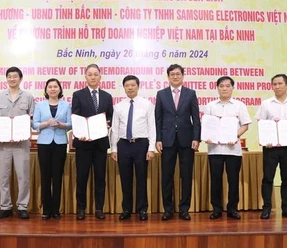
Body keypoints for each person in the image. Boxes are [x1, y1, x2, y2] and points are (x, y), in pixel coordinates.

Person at [255, 74, 287, 220]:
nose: (276, 87)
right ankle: (266, 208)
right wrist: (265, 140)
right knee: (268, 178)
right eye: (274, 84)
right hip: (271, 148)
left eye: (279, 84)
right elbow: (262, 124)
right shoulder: (266, 104)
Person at [155, 64, 200, 221]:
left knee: (186, 176)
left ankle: (184, 209)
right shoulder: (161, 94)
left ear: (183, 76)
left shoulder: (190, 93)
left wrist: (196, 138)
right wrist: (158, 139)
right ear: (168, 77)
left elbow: (196, 118)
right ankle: (168, 209)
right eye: (172, 74)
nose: (175, 76)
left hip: (186, 140)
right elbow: (158, 118)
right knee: (166, 176)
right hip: (167, 140)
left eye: (178, 74)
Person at [204, 76, 251, 220]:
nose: (224, 88)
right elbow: (206, 125)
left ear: (232, 88)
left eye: (227, 86)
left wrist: (235, 135)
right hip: (215, 149)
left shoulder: (239, 105)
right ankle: (216, 209)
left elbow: (245, 124)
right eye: (221, 86)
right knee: (216, 179)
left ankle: (232, 209)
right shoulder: (211, 105)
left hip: (233, 150)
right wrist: (207, 135)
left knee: (233, 180)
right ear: (217, 88)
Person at [110, 75, 156, 221]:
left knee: (141, 178)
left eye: (132, 85)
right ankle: (126, 209)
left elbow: (152, 127)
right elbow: (115, 129)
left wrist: (151, 148)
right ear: (123, 88)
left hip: (141, 144)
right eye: (127, 85)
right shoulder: (118, 106)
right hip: (123, 144)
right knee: (125, 178)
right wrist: (114, 148)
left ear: (138, 86)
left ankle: (142, 209)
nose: (130, 88)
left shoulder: (147, 105)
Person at [72, 64, 113, 220]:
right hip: (83, 144)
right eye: (90, 74)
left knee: (100, 177)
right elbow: (75, 116)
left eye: (96, 74)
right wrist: (79, 132)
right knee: (82, 177)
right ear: (85, 76)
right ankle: (81, 208)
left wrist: (107, 123)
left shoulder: (107, 96)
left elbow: (110, 116)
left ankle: (99, 208)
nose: (93, 77)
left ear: (100, 76)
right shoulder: (78, 95)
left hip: (100, 144)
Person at [0, 67, 35, 220]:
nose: (12, 79)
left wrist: (22, 127)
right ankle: (5, 207)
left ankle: (22, 206)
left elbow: (32, 119)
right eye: (9, 76)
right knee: (3, 177)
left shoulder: (28, 97)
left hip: (21, 143)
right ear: (6, 79)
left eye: (15, 76)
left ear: (21, 79)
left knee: (23, 176)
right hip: (3, 144)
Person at [33, 78, 72, 220]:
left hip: (60, 142)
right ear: (46, 89)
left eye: (56, 86)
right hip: (44, 143)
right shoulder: (40, 105)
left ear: (60, 89)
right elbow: (34, 124)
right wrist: (46, 123)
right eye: (50, 86)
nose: (53, 89)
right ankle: (46, 210)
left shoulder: (66, 105)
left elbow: (71, 124)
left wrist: (62, 125)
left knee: (57, 176)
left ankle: (56, 209)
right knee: (45, 176)